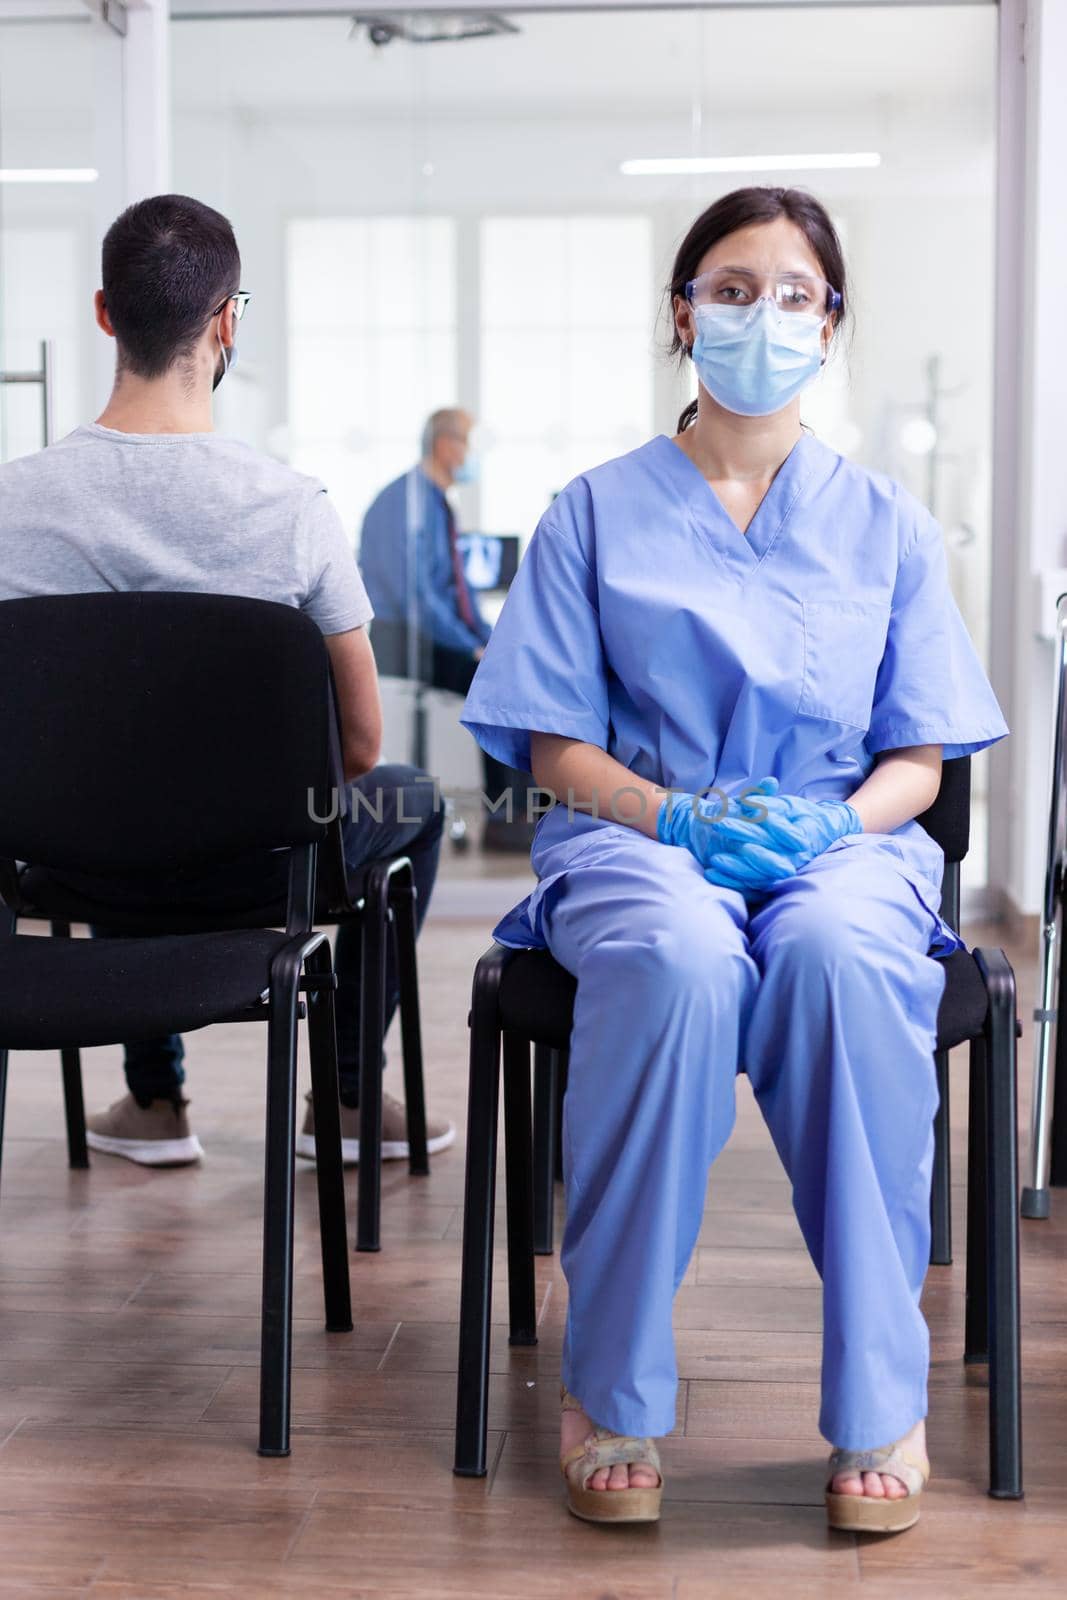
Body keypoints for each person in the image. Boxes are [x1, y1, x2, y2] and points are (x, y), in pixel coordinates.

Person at [461, 186, 1008, 1533]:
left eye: (791, 293)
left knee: (830, 955)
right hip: (643, 837)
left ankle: (878, 1395)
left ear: (829, 326)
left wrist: (834, 825)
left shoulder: (881, 522)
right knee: (677, 958)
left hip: (838, 843)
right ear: (677, 312)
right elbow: (549, 749)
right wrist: (676, 820)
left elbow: (918, 761)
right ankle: (611, 1388)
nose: (758, 314)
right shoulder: (591, 513)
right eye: (728, 286)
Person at [0, 193, 455, 1170]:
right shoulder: (289, 511)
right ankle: (338, 1096)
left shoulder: (9, 507)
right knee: (410, 797)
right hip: (263, 871)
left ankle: (155, 1099)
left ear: (104, 313)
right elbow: (359, 747)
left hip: (71, 870)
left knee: (112, 789)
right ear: (225, 321)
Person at [360, 409, 534, 850]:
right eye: (470, 444)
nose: (473, 457)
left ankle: (535, 806)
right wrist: (472, 649)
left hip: (428, 631)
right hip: (399, 636)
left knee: (514, 668)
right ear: (446, 446)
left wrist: (492, 638)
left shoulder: (435, 504)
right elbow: (416, 597)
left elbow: (457, 591)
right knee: (492, 680)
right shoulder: (403, 503)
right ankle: (506, 817)